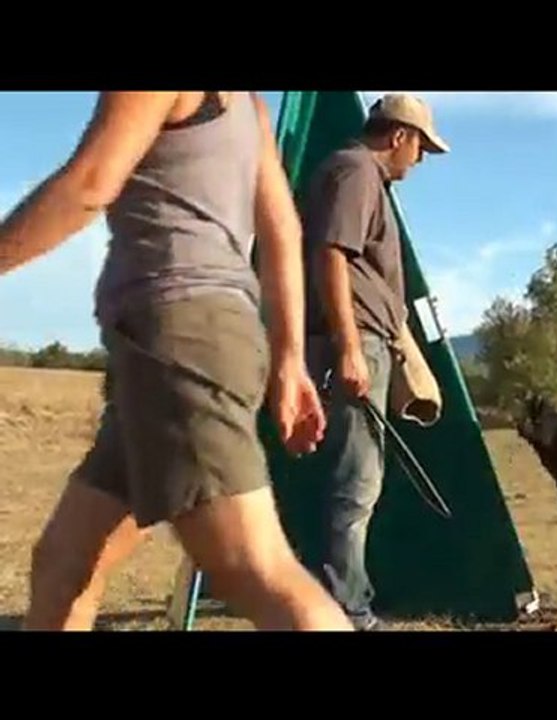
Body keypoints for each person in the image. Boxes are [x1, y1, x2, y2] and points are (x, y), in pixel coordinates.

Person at [0, 91, 353, 631]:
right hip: (186, 344)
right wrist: (288, 359)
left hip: (178, 340)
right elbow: (282, 227)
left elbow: (91, 185)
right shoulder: (248, 106)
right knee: (65, 566)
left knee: (255, 569)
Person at [301, 93, 450, 630]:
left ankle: (343, 601)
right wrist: (347, 348)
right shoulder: (356, 172)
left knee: (359, 479)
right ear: (399, 136)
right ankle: (349, 611)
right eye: (422, 148)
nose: (422, 159)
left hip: (367, 341)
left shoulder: (361, 176)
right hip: (356, 342)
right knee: (355, 482)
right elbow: (331, 255)